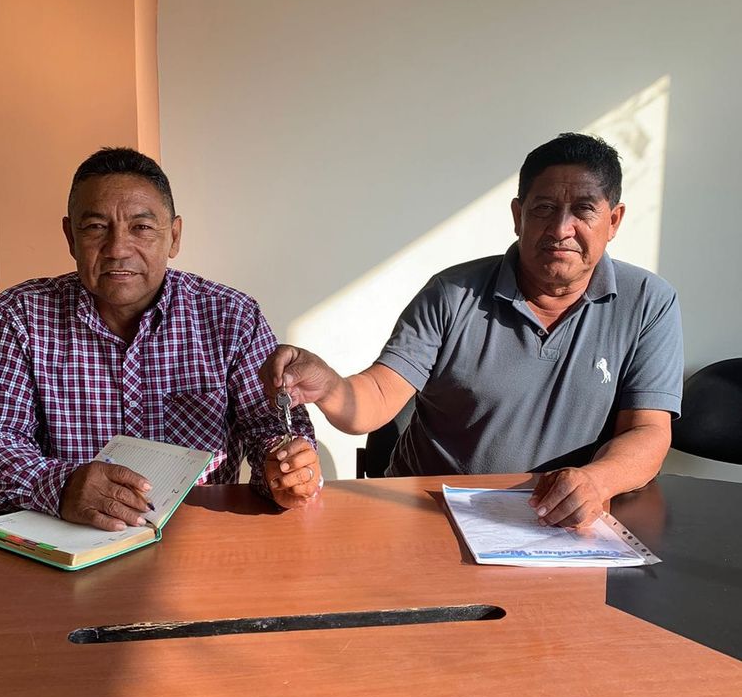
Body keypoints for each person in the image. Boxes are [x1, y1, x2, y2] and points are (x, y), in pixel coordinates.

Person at [262, 133, 683, 529]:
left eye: (584, 210)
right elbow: (375, 397)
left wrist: (597, 481)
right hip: (429, 513)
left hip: (558, 522)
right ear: (518, 216)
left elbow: (647, 431)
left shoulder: (648, 302)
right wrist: (330, 386)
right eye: (544, 208)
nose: (561, 229)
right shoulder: (453, 293)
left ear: (614, 220)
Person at [0, 147, 321, 529]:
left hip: (198, 536)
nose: (117, 249)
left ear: (174, 236)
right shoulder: (21, 315)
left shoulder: (231, 317)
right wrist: (61, 487)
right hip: (68, 537)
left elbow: (272, 429)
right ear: (70, 236)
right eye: (95, 227)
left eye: (141, 228)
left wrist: (286, 472)